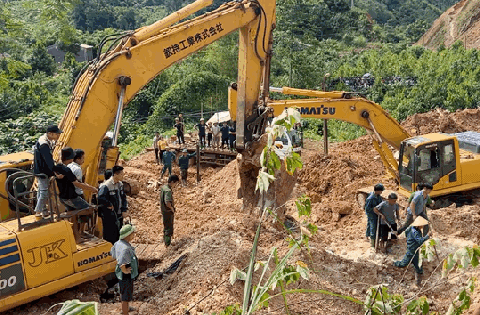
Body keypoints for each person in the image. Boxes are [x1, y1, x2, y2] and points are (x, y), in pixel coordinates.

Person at [33, 124, 63, 220]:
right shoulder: (44, 144)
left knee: (41, 192)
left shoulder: (44, 140)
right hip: (42, 171)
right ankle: (38, 212)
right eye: (56, 134)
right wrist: (55, 172)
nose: (58, 136)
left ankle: (43, 210)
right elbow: (48, 160)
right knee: (44, 193)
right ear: (50, 133)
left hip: (39, 170)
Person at [394, 216, 432, 287]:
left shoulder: (412, 228)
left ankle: (418, 283)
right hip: (411, 251)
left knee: (419, 267)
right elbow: (420, 241)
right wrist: (427, 236)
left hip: (416, 251)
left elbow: (406, 233)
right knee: (403, 263)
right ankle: (393, 264)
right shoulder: (415, 232)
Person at [111, 224, 138, 315]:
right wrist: (124, 269)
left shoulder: (117, 243)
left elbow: (113, 254)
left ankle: (126, 308)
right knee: (126, 294)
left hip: (120, 274)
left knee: (124, 291)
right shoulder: (126, 248)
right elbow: (122, 262)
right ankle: (125, 311)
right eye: (132, 233)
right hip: (126, 274)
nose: (133, 235)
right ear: (128, 235)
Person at [98, 166, 129, 244]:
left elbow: (123, 198)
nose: (123, 176)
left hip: (119, 215)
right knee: (110, 236)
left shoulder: (120, 184)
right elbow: (101, 198)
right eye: (121, 174)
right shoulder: (106, 185)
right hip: (109, 216)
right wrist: (108, 204)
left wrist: (124, 210)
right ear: (115, 174)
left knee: (119, 235)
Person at [160, 175, 179, 246]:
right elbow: (167, 202)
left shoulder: (164, 187)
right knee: (169, 228)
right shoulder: (168, 191)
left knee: (166, 227)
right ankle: (168, 244)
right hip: (168, 212)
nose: (175, 185)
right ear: (172, 182)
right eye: (175, 183)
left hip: (164, 210)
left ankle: (165, 241)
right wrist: (172, 209)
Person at [365, 183, 384, 248]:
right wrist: (375, 211)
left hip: (375, 212)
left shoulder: (377, 196)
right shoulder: (370, 198)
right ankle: (373, 243)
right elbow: (367, 209)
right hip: (371, 214)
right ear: (377, 191)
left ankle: (367, 235)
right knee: (373, 226)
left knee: (369, 224)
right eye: (381, 191)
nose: (381, 192)